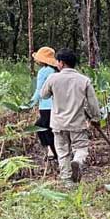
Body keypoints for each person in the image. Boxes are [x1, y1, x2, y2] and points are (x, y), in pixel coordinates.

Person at [39, 49, 102, 184]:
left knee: (62, 152)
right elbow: (93, 103)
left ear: (61, 63)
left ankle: (67, 180)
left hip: (58, 124)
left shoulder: (53, 78)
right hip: (77, 123)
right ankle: (77, 161)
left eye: (57, 62)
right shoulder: (84, 80)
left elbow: (43, 95)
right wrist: (96, 118)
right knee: (81, 148)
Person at [28, 47, 59, 161]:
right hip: (57, 105)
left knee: (43, 129)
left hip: (46, 106)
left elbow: (39, 90)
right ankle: (54, 151)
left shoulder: (43, 71)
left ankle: (54, 153)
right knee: (48, 128)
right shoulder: (57, 71)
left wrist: (30, 104)